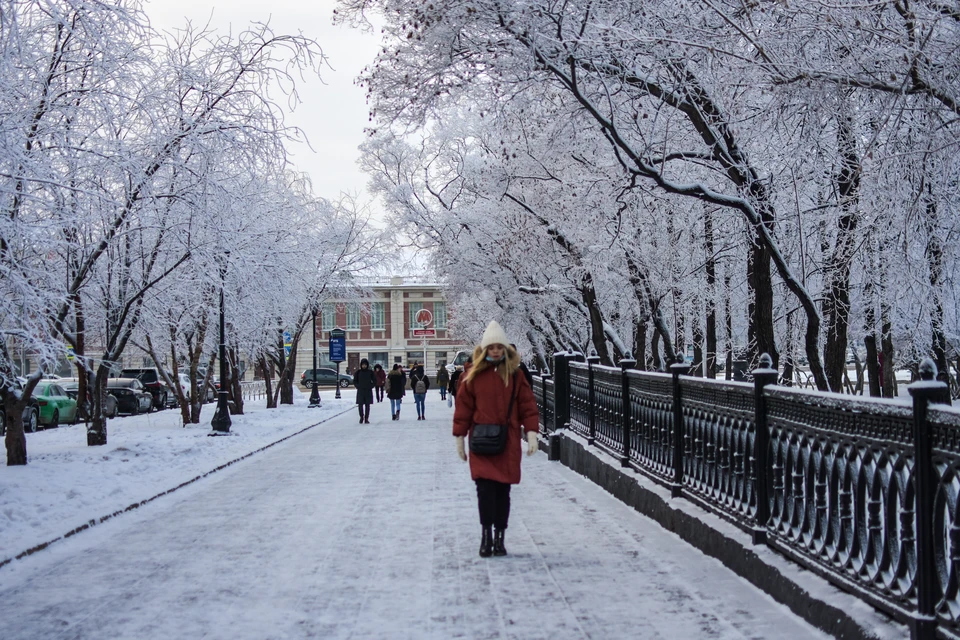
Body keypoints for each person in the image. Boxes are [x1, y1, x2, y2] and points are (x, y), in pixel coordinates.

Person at [453, 320, 539, 558]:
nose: (496, 351)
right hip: (481, 440)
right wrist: (459, 437)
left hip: (507, 442)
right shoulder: (472, 376)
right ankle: (486, 535)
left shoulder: (515, 374)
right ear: (485, 349)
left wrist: (531, 433)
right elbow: (463, 409)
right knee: (484, 491)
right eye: (491, 347)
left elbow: (528, 406)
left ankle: (500, 537)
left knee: (502, 492)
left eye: (499, 347)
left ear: (505, 348)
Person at [352, 359, 376, 423]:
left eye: (365, 365)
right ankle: (361, 417)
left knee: (367, 405)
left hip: (368, 391)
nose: (364, 366)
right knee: (360, 405)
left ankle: (366, 418)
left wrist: (371, 386)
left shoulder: (370, 372)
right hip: (360, 391)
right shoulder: (358, 372)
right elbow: (355, 381)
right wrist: (358, 386)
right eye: (363, 365)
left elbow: (374, 380)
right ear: (361, 365)